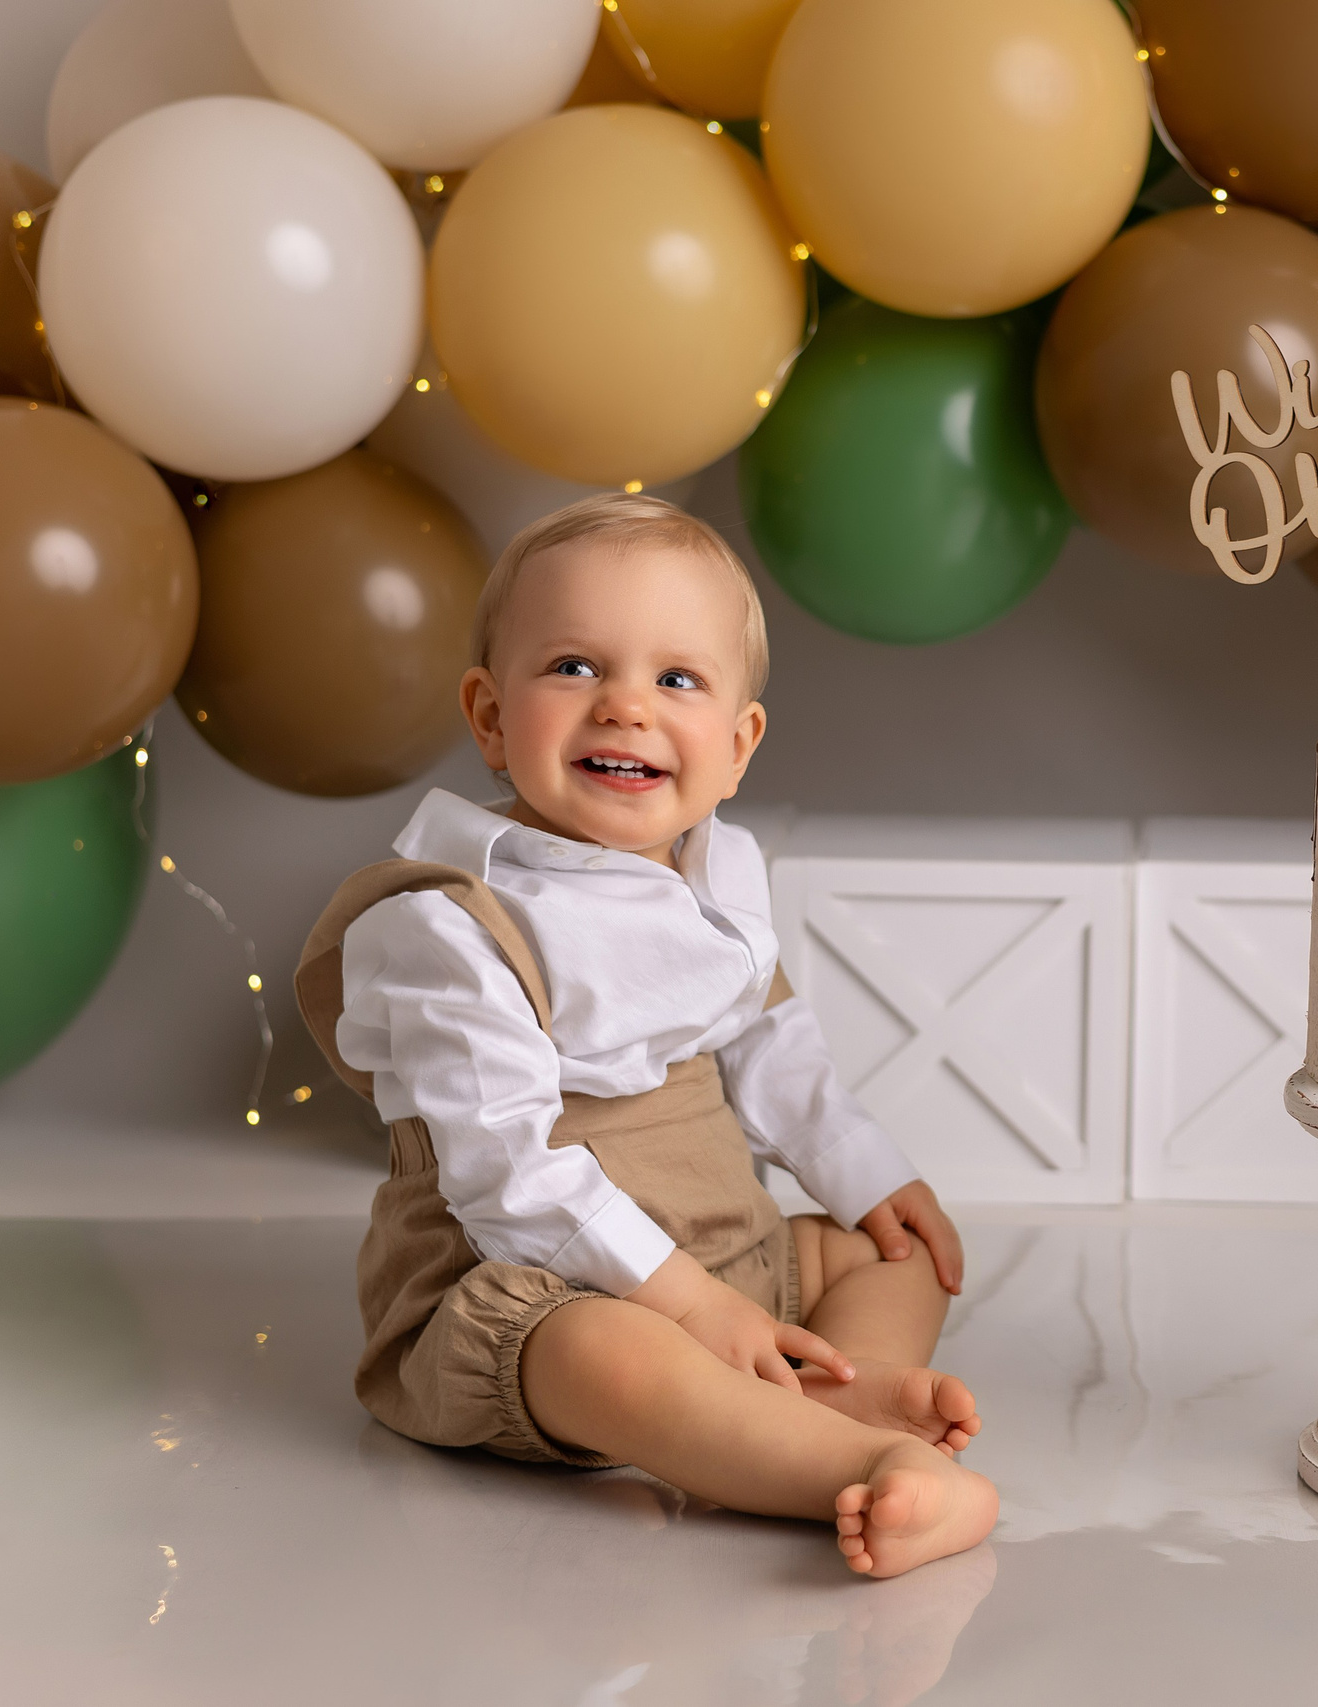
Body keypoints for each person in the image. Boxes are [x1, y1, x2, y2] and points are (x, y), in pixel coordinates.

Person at [295, 493, 998, 1578]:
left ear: (736, 744)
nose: (624, 706)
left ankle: (823, 1399)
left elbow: (768, 1038)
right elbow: (507, 1183)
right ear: (488, 716)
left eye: (676, 680)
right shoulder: (447, 922)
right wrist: (687, 1307)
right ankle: (849, 1467)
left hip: (728, 1262)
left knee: (890, 1254)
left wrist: (861, 1172)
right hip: (535, 1291)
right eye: (574, 666)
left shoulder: (708, 881)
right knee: (603, 1353)